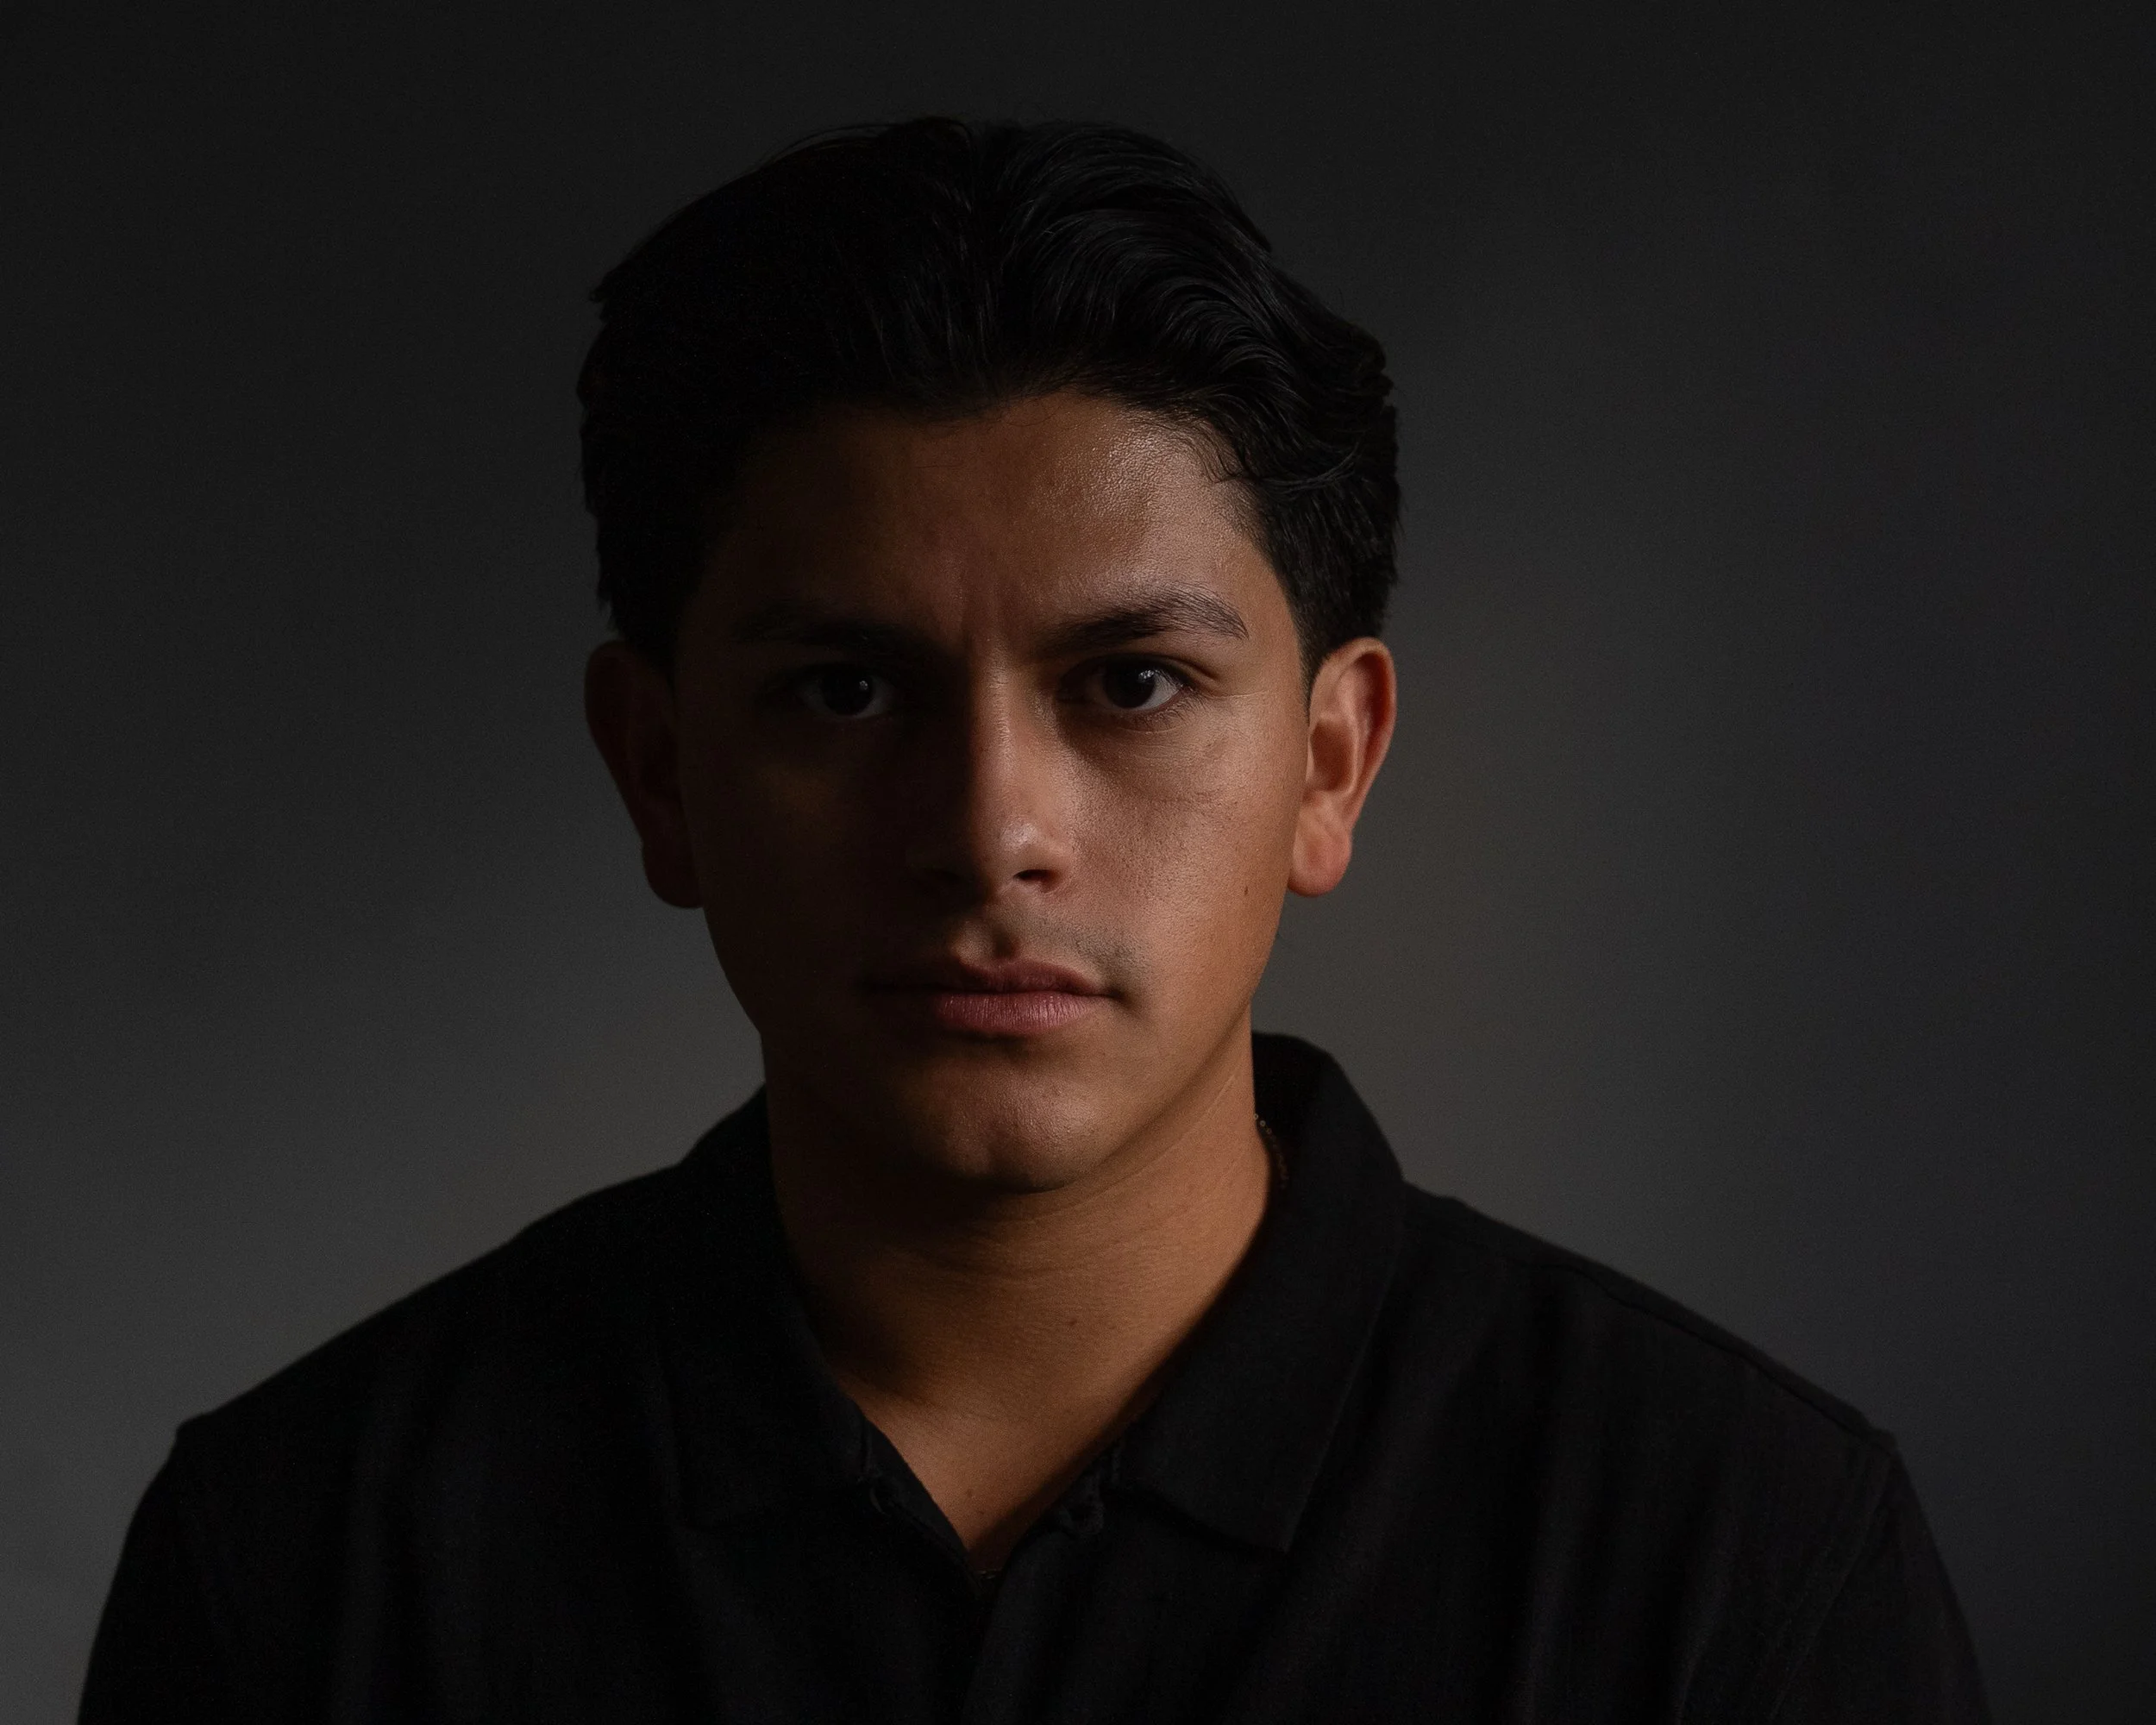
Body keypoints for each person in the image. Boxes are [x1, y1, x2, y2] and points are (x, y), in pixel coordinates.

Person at [80, 117, 1989, 1722]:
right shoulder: (306, 1558)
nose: (991, 833)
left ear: (1329, 764)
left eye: (1131, 684)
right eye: (846, 691)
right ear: (659, 771)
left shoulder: (1732, 1555)